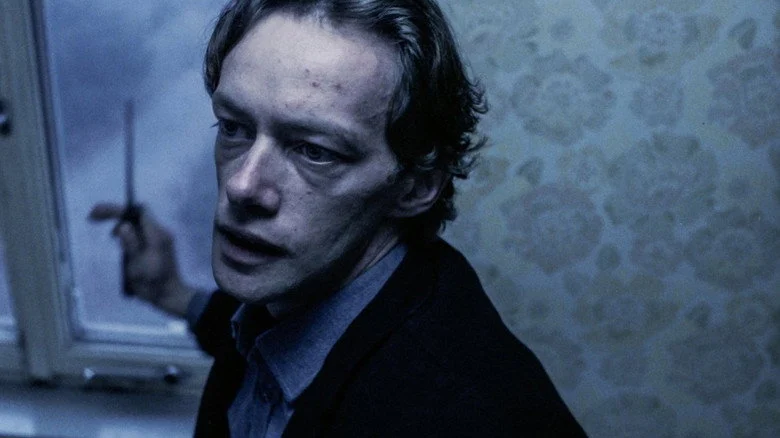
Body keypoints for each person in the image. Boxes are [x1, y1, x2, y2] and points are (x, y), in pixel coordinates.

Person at [91, 0, 587, 436]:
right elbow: (278, 340)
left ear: (415, 186)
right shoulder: (308, 283)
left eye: (315, 151)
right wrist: (174, 295)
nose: (243, 186)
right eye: (235, 127)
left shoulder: (467, 415)